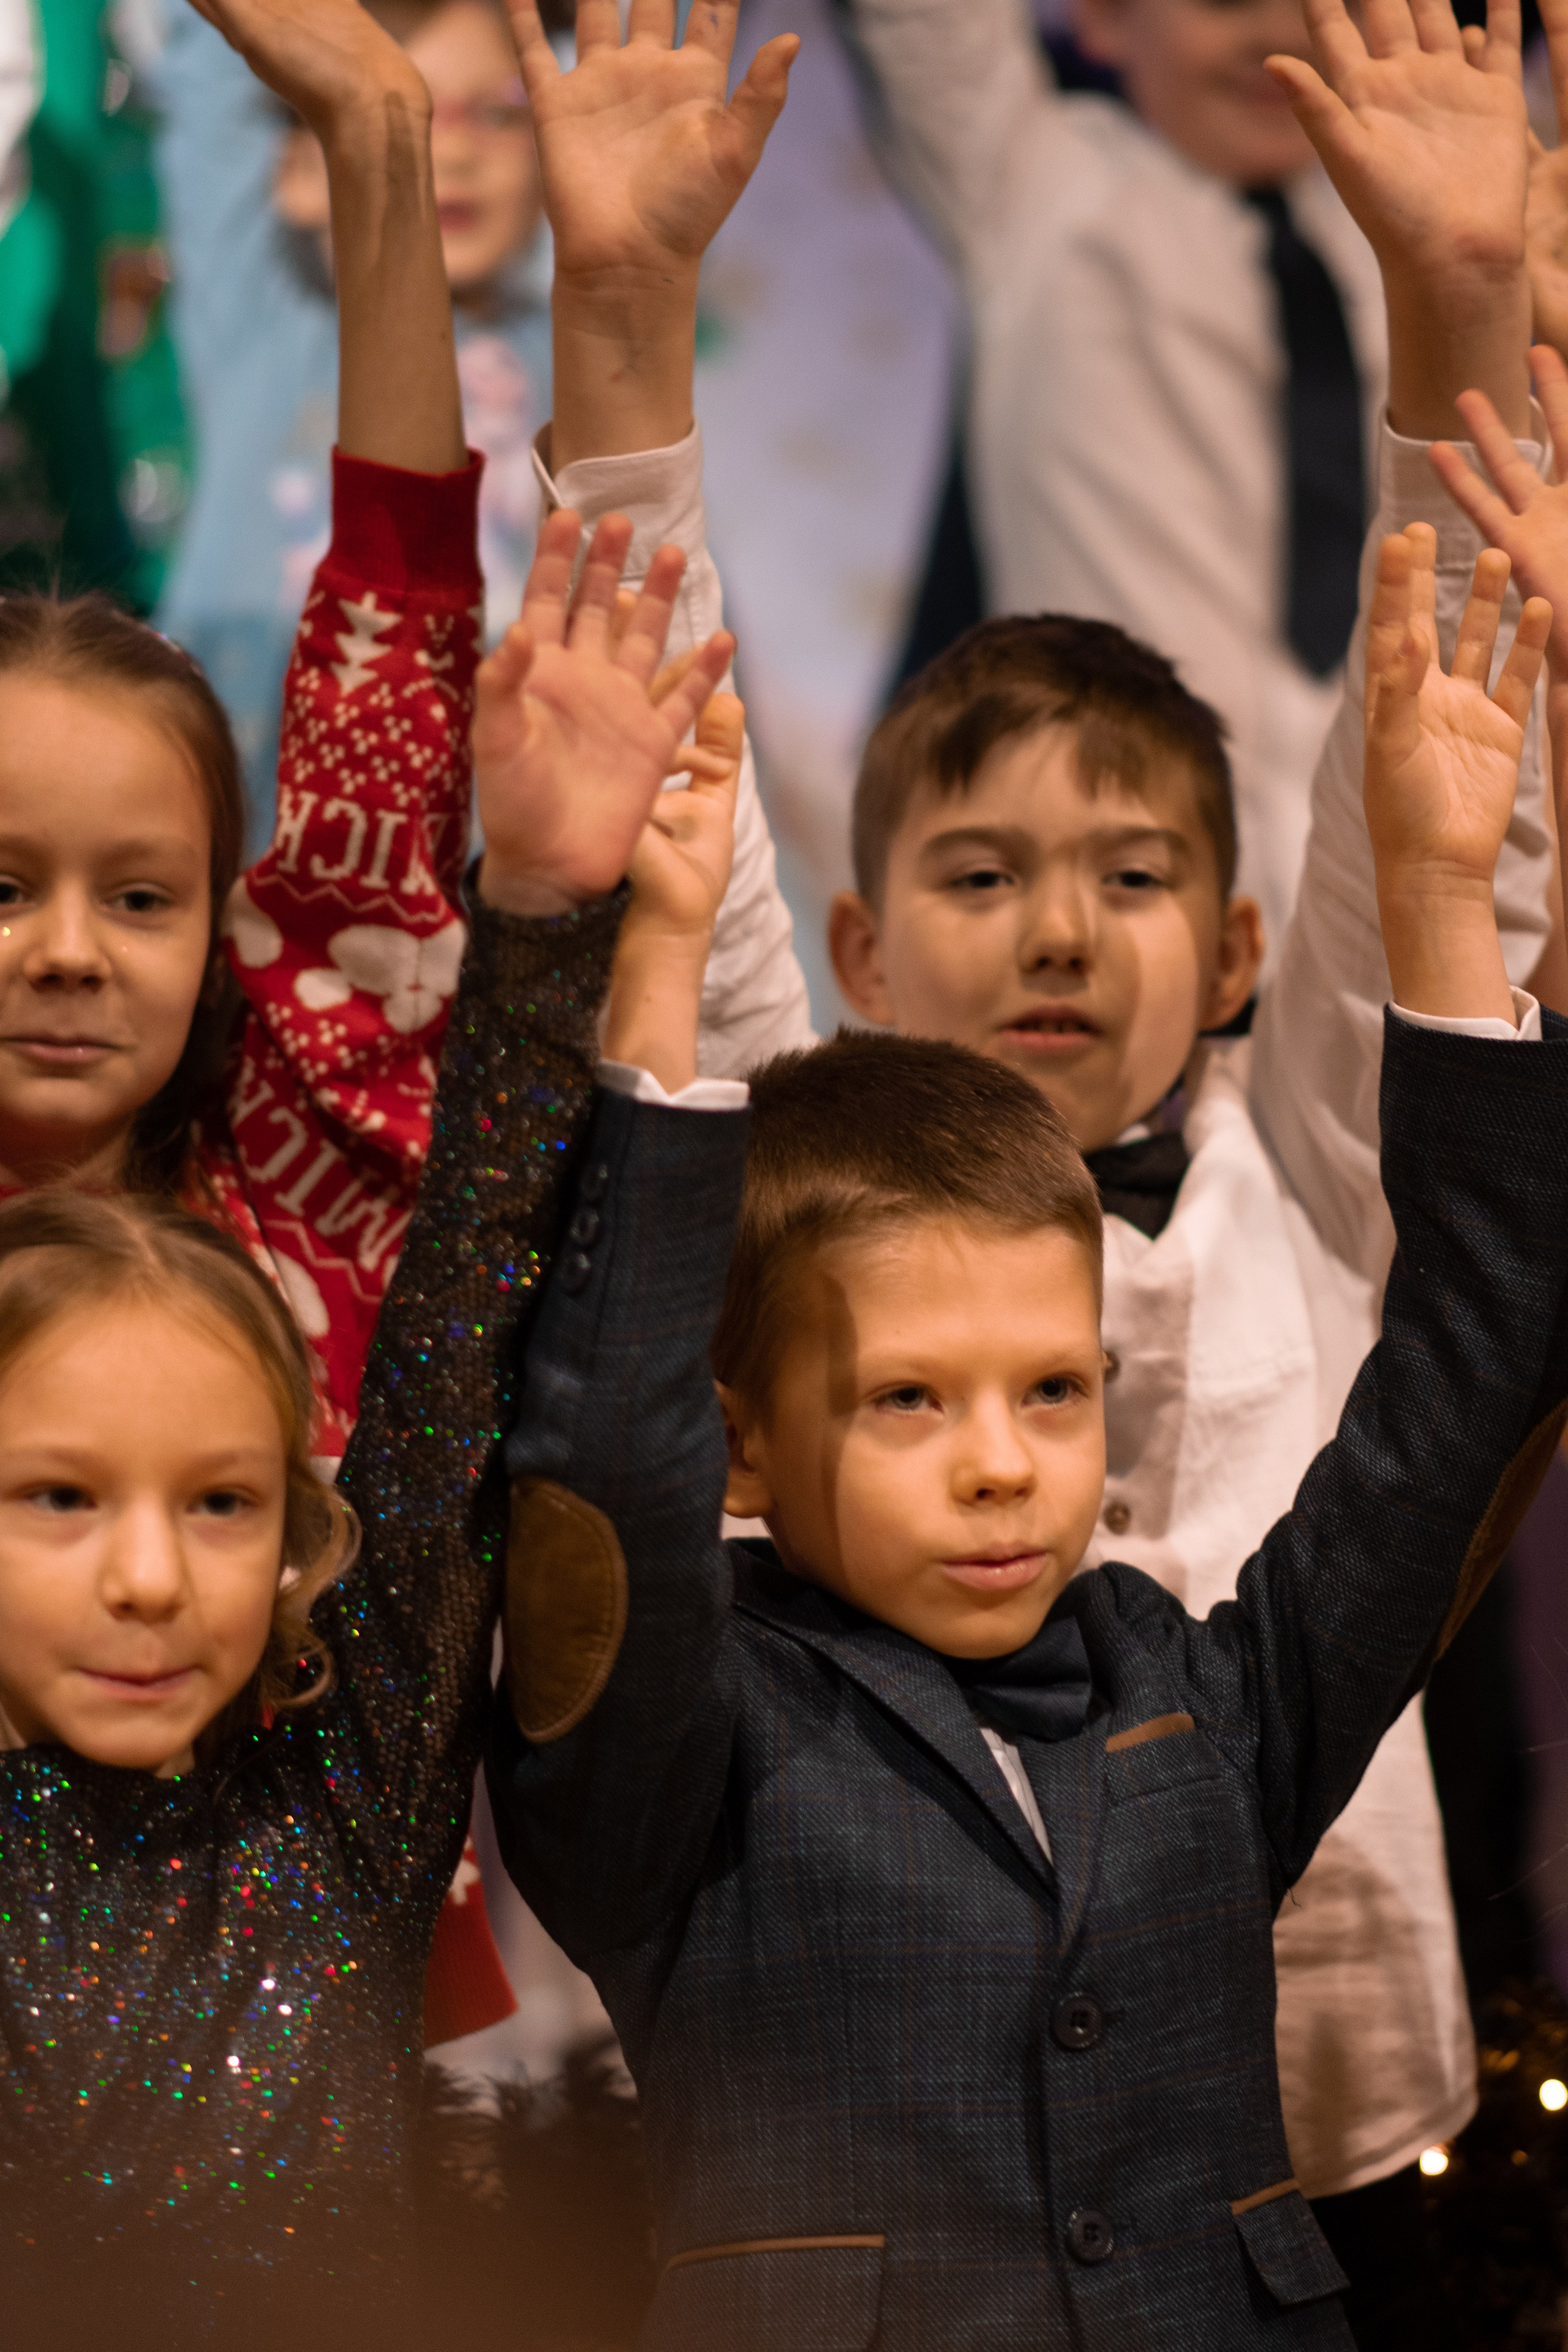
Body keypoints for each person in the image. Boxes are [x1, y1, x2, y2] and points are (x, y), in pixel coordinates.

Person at [503, 0, 1554, 2331]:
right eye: (978, 881)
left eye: (1052, 1395)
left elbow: (1449, 852)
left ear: (1247, 944)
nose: (1062, 932)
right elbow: (676, 811)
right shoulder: (792, 1182)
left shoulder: (1292, 1201)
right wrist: (617, 318)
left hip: (1341, 2148)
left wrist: (1464, 304)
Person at [153, 0, 555, 832]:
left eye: (502, 111)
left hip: (477, 845)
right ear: (294, 168)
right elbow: (215, 62)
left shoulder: (572, 350)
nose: (457, 149)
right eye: (403, 112)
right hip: (255, 821)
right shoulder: (264, 317)